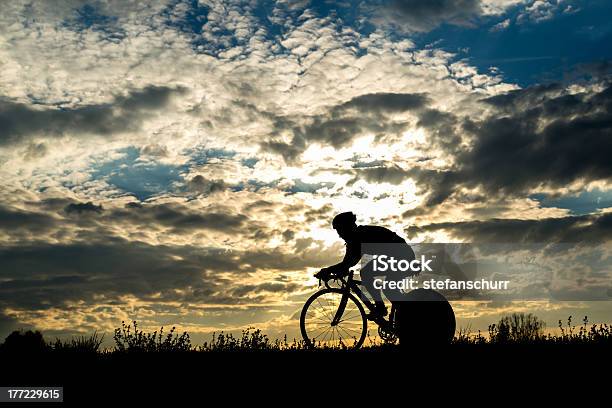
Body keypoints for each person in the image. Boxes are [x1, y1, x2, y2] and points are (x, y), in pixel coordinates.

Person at [316, 211, 416, 318]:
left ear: (347, 227)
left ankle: (389, 310)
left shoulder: (358, 237)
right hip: (399, 255)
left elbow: (348, 263)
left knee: (371, 276)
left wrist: (328, 270)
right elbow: (347, 264)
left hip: (403, 256)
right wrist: (333, 271)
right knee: (371, 275)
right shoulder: (354, 239)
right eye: (338, 232)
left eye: (340, 230)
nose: (339, 235)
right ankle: (394, 311)